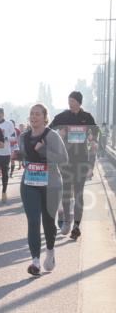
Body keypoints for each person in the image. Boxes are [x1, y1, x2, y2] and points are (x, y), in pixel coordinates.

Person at [19, 104, 68, 275]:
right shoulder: (23, 136)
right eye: (31, 114)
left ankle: (50, 251)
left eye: (37, 114)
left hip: (51, 184)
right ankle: (35, 261)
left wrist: (44, 150)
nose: (34, 117)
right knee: (33, 221)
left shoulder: (52, 136)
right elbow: (25, 156)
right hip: (30, 183)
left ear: (45, 117)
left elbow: (63, 158)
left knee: (48, 221)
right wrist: (17, 156)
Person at [50, 91, 99, 241]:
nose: (70, 103)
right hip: (66, 160)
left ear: (79, 102)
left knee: (78, 193)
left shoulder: (87, 117)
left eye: (72, 101)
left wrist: (93, 138)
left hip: (82, 160)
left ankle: (76, 226)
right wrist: (60, 133)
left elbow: (97, 134)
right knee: (66, 191)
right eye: (69, 100)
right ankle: (66, 221)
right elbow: (49, 131)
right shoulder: (63, 116)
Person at [0, 109, 18, 201]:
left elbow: (14, 137)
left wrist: (6, 138)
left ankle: (4, 192)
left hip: (5, 153)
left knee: (5, 174)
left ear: (3, 115)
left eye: (0, 114)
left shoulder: (9, 124)